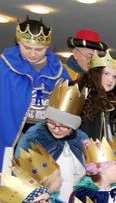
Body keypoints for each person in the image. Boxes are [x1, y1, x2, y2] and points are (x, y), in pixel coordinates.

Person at [0, 17, 69, 151]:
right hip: (9, 129)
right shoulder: (4, 66)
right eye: (27, 48)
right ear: (18, 42)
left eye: (39, 49)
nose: (32, 53)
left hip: (46, 132)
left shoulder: (58, 70)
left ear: (48, 46)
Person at [16, 79, 88, 201]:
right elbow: (20, 173)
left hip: (76, 201)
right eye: (52, 123)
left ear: (73, 126)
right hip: (45, 202)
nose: (57, 129)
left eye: (64, 126)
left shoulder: (81, 139)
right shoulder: (34, 137)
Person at [77, 51, 116, 165]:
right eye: (106, 73)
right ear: (95, 74)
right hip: (89, 161)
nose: (111, 80)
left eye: (115, 77)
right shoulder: (80, 98)